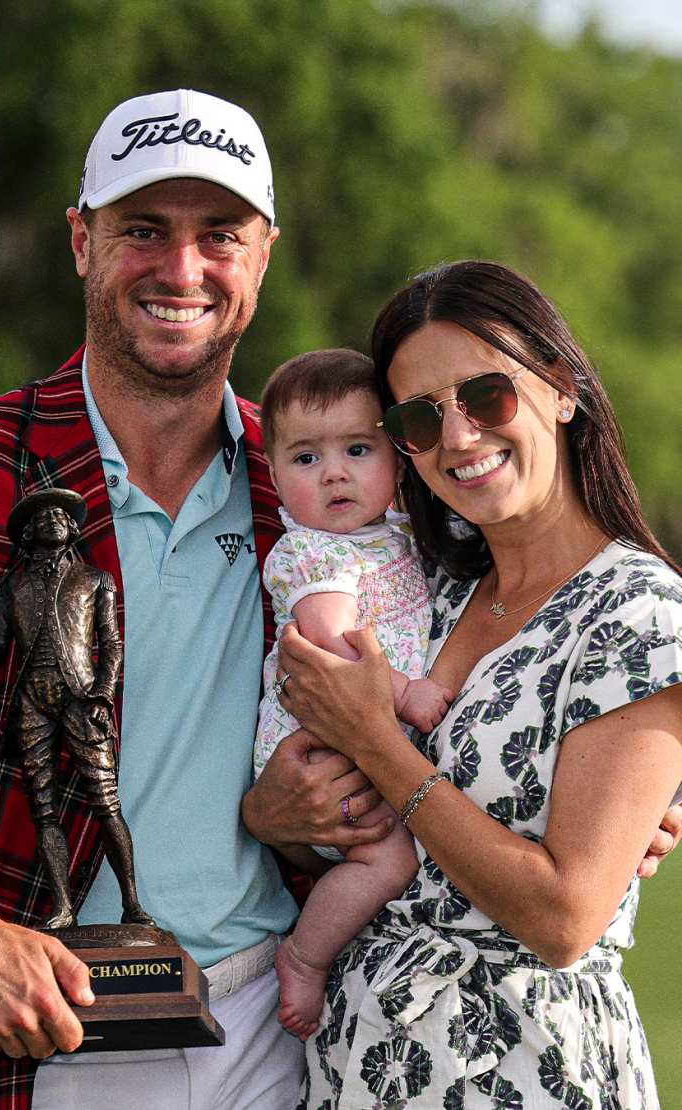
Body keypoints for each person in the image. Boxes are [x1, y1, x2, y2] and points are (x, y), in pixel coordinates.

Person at [0, 88, 343, 1110]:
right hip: (8, 1045)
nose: (182, 269)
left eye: (219, 235)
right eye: (144, 230)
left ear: (263, 257)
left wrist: (604, 772)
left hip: (274, 1038)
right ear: (82, 242)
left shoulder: (315, 490)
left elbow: (466, 650)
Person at [260, 260, 682, 1107]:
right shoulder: (426, 585)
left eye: (486, 396)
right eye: (420, 417)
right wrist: (272, 815)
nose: (456, 437)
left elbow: (564, 920)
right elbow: (338, 837)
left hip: (518, 1065)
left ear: (561, 389)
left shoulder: (639, 612)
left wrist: (380, 747)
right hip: (359, 1059)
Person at [252, 348, 452, 1039]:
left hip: (366, 742)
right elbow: (334, 647)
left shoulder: (398, 536)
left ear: (396, 460)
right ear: (274, 476)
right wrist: (407, 693)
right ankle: (305, 957)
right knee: (388, 859)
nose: (334, 472)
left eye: (357, 449)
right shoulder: (312, 553)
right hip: (319, 750)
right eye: (306, 458)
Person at [0, 488, 154, 931]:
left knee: (105, 800)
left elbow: (111, 644)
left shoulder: (95, 579)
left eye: (60, 516)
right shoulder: (14, 586)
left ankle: (132, 904)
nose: (52, 520)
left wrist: (102, 695)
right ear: (29, 532)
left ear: (73, 528)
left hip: (82, 697)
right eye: (42, 517)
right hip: (32, 700)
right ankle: (63, 908)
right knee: (42, 808)